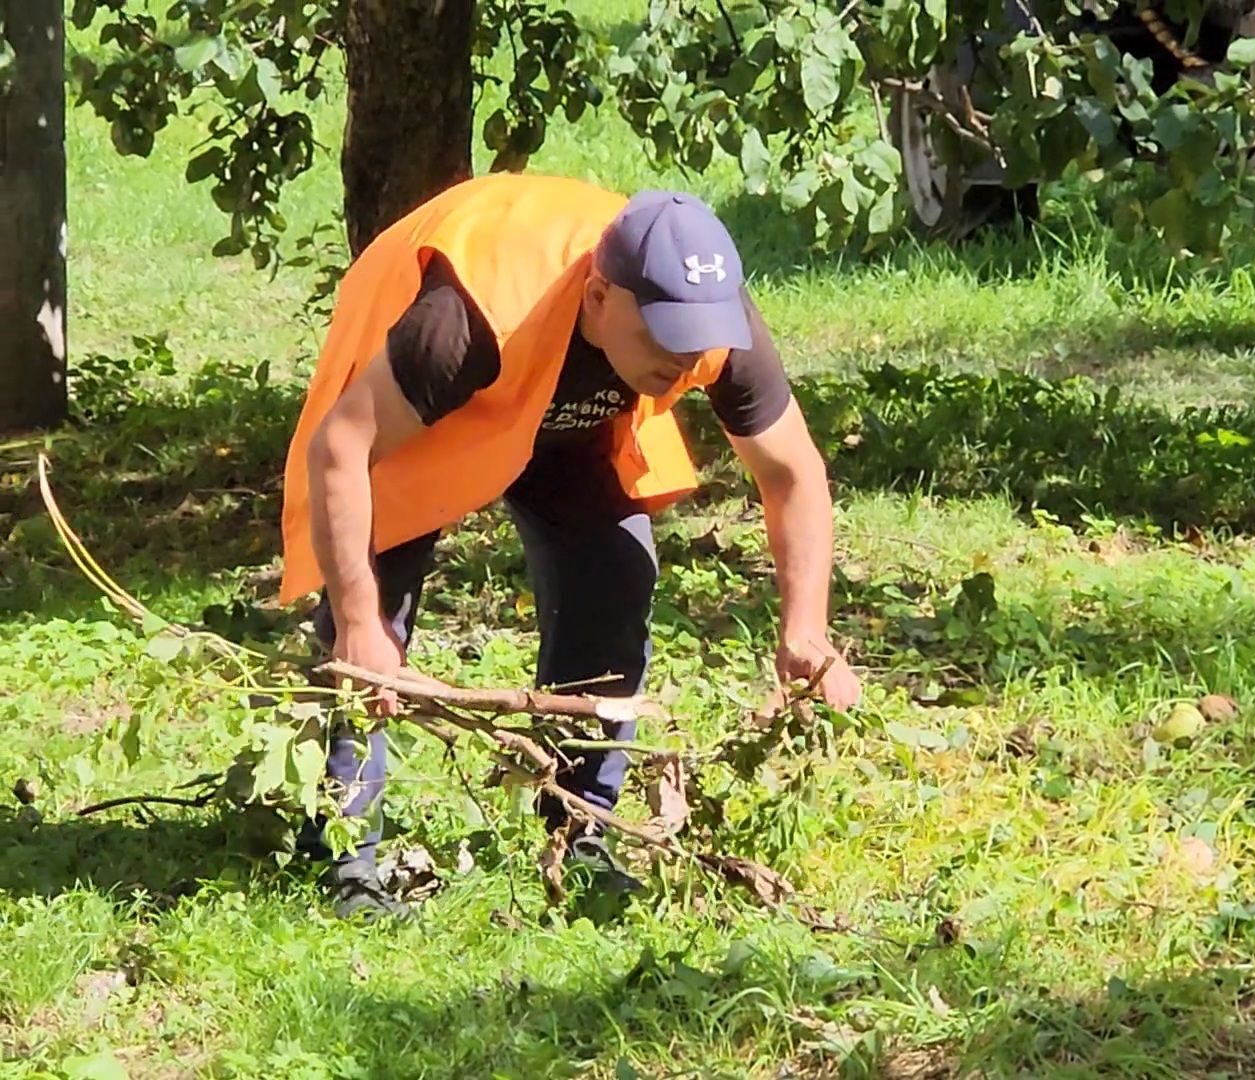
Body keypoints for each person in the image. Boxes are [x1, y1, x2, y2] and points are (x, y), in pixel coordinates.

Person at [275, 173, 863, 920]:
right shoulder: (467, 315)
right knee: (370, 615)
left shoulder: (708, 317)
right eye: (666, 343)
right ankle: (343, 858)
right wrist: (358, 620)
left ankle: (583, 829)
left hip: (568, 417)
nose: (685, 367)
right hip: (426, 412)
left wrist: (804, 628)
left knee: (615, 573)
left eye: (697, 346)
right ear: (598, 299)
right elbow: (343, 447)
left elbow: (794, 472)